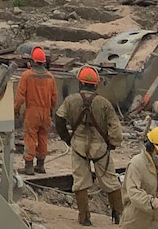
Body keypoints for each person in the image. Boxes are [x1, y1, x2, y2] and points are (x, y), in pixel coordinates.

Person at [55, 65, 124, 226]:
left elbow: (59, 118)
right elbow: (115, 128)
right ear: (96, 84)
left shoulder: (70, 100)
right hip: (100, 147)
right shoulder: (104, 103)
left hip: (78, 145)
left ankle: (84, 218)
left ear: (80, 83)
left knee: (80, 181)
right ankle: (119, 215)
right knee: (111, 181)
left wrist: (67, 138)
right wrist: (113, 143)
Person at [14, 46, 57, 175]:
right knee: (43, 137)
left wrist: (16, 109)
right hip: (46, 113)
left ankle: (28, 166)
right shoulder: (50, 77)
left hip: (32, 112)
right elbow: (54, 97)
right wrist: (51, 110)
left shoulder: (27, 75)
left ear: (32, 61)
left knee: (30, 137)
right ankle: (40, 165)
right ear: (44, 62)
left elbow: (20, 96)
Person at [119, 127, 158, 228]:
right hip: (136, 220)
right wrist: (150, 201)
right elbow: (133, 191)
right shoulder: (137, 164)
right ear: (151, 147)